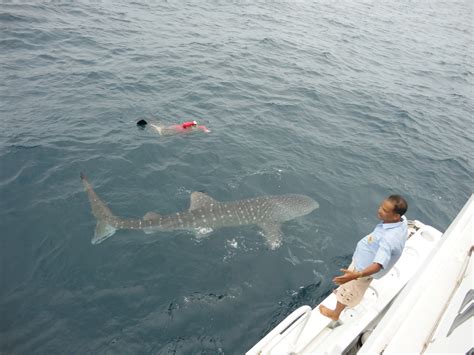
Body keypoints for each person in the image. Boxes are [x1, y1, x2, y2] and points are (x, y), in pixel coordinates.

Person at [319, 195, 408, 321]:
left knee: (349, 289)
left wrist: (355, 275)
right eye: (381, 206)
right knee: (354, 286)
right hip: (364, 263)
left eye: (385, 210)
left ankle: (335, 313)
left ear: (395, 216)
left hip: (362, 269)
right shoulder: (401, 221)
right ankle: (352, 292)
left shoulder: (389, 239)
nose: (379, 210)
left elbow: (378, 265)